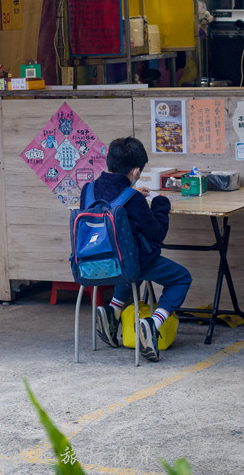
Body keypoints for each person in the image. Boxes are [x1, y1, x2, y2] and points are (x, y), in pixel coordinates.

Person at [93, 137, 192, 362]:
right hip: (131, 262)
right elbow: (157, 233)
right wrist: (160, 204)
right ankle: (152, 324)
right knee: (181, 277)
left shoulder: (90, 190)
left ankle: (113, 311)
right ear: (136, 171)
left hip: (96, 261)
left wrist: (135, 193)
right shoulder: (132, 199)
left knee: (125, 264)